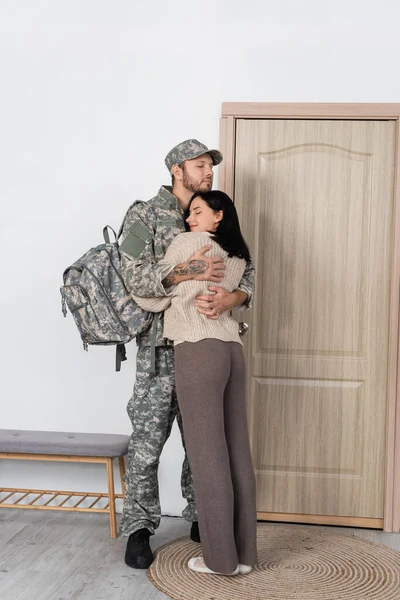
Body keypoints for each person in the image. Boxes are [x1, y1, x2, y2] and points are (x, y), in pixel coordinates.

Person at [119, 139, 255, 569]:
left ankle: (204, 521)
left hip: (207, 342)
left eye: (210, 165)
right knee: (147, 442)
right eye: (200, 165)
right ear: (177, 170)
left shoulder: (211, 211)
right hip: (159, 351)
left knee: (204, 442)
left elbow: (244, 267)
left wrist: (233, 298)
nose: (209, 171)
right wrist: (184, 271)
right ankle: (139, 529)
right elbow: (132, 275)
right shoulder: (143, 214)